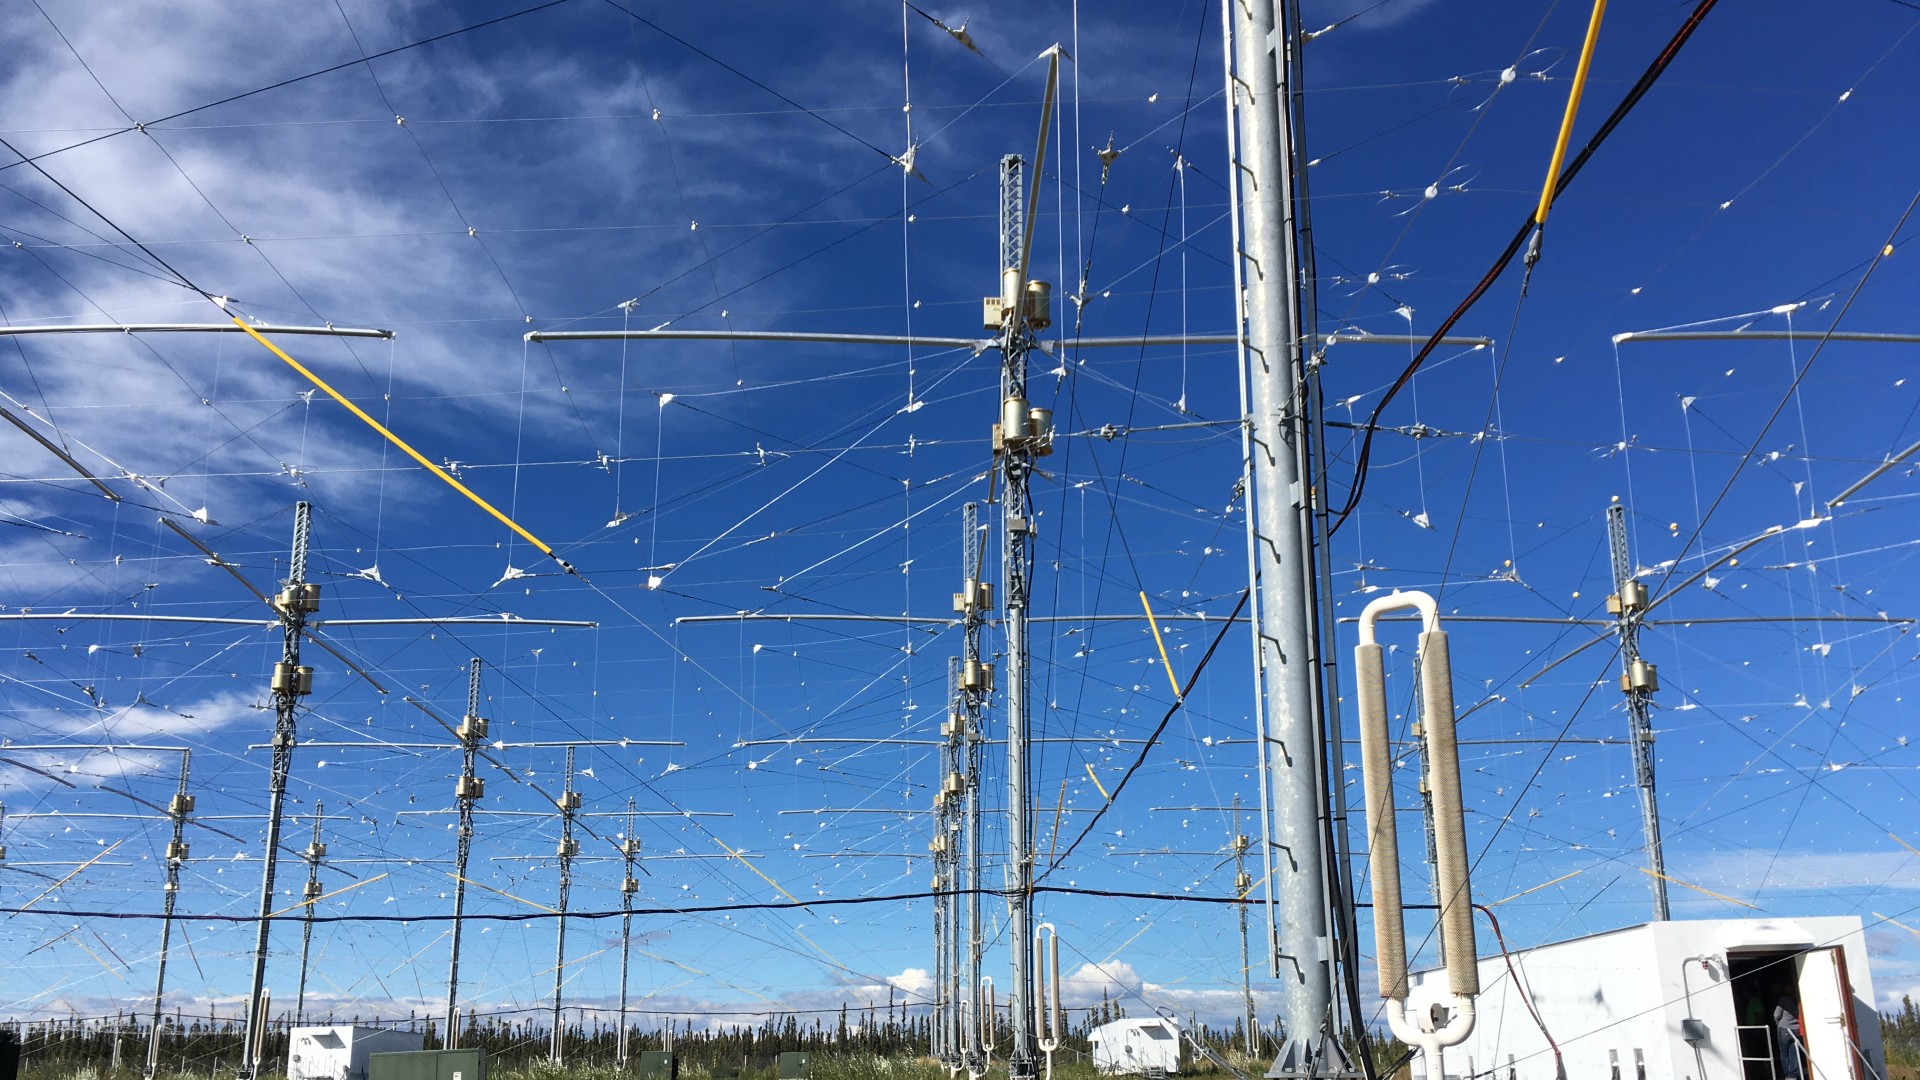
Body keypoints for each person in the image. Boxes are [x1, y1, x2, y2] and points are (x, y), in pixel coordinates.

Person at [1773, 996, 1803, 1080]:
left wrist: (1778, 1024)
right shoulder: (1797, 999)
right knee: (1794, 1054)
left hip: (1784, 1029)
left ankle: (1787, 1076)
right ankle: (1793, 1076)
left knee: (1784, 1054)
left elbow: (1776, 1015)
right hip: (1796, 1029)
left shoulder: (1784, 999)